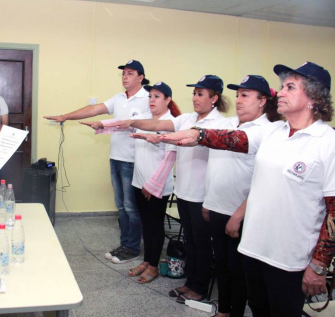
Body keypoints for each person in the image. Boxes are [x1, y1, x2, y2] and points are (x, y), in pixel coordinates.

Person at [157, 62, 335, 316]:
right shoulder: (274, 131)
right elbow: (234, 139)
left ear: (314, 98)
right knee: (258, 308)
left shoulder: (328, 143)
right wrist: (197, 135)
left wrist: (318, 265)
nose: (281, 92)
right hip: (253, 249)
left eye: (290, 87)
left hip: (288, 259)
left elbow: (334, 213)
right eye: (282, 86)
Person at [113, 74, 229, 302]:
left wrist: (163, 139)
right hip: (184, 191)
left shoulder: (221, 124)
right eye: (194, 93)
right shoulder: (187, 118)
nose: (195, 98)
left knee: (202, 243)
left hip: (202, 195)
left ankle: (200, 286)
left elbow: (188, 139)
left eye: (201, 94)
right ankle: (190, 282)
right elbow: (158, 124)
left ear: (214, 98)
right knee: (191, 242)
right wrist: (132, 122)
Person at [45, 60, 151, 263]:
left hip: (133, 160)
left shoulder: (148, 98)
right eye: (123, 73)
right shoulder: (120, 98)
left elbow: (145, 124)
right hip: (116, 158)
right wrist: (65, 116)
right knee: (121, 206)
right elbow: (95, 110)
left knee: (131, 207)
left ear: (140, 77)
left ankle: (133, 247)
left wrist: (104, 124)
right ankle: (125, 243)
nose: (125, 77)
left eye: (130, 73)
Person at [83, 82, 181, 282]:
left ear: (168, 100)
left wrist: (152, 185)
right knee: (146, 224)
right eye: (150, 96)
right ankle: (146, 260)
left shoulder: (172, 123)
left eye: (157, 97)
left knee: (155, 226)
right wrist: (101, 125)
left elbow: (170, 158)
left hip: (157, 186)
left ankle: (153, 265)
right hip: (139, 182)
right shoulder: (143, 119)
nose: (152, 100)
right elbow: (122, 123)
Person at [202, 75, 281, 317]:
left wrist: (238, 215)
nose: (238, 100)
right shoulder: (228, 124)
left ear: (262, 101)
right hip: (217, 207)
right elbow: (215, 167)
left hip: (241, 213)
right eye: (237, 95)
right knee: (223, 267)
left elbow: (264, 181)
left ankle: (235, 312)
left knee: (239, 272)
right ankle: (224, 310)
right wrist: (207, 202)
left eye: (245, 95)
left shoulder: (268, 131)